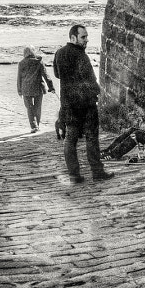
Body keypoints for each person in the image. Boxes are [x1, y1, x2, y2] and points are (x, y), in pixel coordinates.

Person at [53, 23, 110, 185]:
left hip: (68, 104)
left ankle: (74, 175)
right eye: (83, 37)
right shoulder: (81, 56)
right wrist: (97, 92)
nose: (86, 40)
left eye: (86, 37)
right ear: (73, 38)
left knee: (70, 140)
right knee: (92, 138)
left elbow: (57, 75)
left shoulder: (59, 53)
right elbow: (90, 81)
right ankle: (98, 172)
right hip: (85, 104)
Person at [16, 46, 54, 133]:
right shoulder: (39, 61)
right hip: (38, 87)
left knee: (29, 108)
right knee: (38, 107)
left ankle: (34, 126)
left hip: (26, 88)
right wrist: (51, 87)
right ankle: (37, 125)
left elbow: (19, 78)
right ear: (33, 52)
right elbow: (46, 75)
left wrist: (19, 90)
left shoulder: (21, 63)